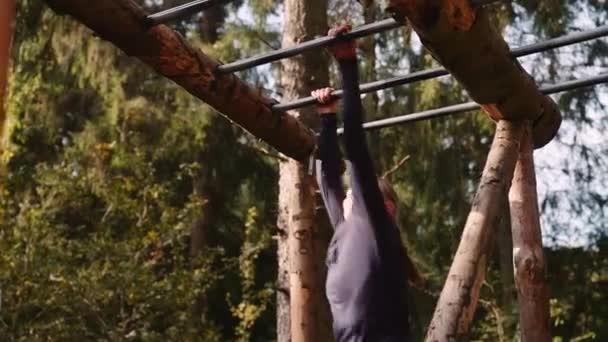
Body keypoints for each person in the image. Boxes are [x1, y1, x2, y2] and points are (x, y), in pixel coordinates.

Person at [312, 24, 413, 341]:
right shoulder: (344, 230)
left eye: (358, 191)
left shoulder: (375, 226)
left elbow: (354, 143)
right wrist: (327, 118)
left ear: (387, 207)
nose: (349, 192)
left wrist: (347, 63)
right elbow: (325, 175)